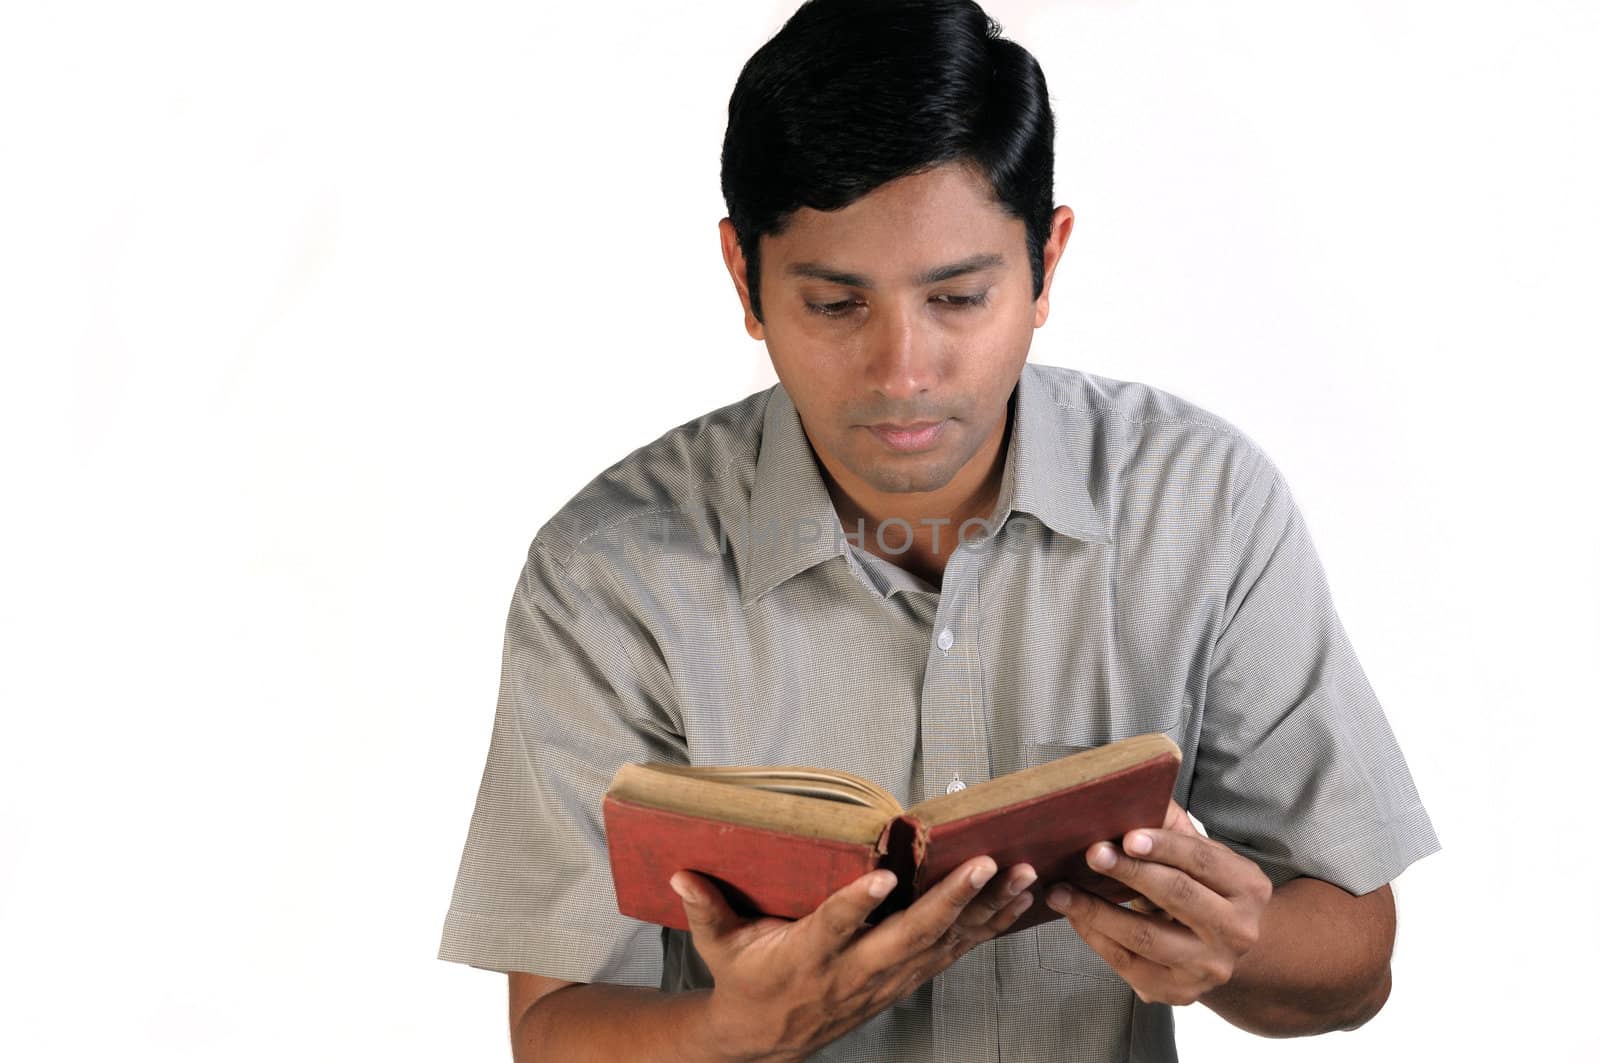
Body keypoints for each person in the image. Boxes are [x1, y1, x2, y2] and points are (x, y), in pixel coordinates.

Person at [436, 1, 1441, 1059]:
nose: (903, 371)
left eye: (959, 296)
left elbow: (1355, 959)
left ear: (1045, 262)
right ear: (745, 277)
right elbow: (552, 1029)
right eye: (834, 305)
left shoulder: (1200, 502)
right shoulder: (612, 573)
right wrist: (741, 1029)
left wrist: (1240, 946)